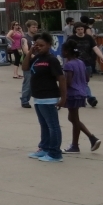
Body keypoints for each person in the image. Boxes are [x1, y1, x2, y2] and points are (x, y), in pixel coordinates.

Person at [23, 31, 66, 162]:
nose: (38, 47)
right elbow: (25, 67)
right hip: (38, 98)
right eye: (36, 45)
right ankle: (44, 148)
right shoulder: (37, 58)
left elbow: (61, 78)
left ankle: (55, 153)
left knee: (53, 126)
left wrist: (63, 98)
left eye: (41, 45)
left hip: (49, 97)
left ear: (49, 45)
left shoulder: (51, 60)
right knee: (44, 125)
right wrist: (30, 52)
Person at [61, 40, 101, 154]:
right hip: (81, 93)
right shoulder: (80, 62)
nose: (62, 52)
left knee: (73, 119)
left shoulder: (68, 65)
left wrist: (61, 92)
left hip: (72, 94)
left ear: (67, 52)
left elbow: (67, 82)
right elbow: (87, 78)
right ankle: (75, 145)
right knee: (74, 119)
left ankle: (91, 138)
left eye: (63, 50)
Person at [71, 22, 103, 107]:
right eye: (78, 29)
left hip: (87, 62)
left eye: (82, 29)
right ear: (75, 30)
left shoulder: (89, 38)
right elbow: (67, 50)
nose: (80, 31)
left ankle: (81, 96)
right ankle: (90, 98)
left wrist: (102, 57)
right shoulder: (71, 38)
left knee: (84, 82)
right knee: (83, 82)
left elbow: (95, 49)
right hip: (76, 63)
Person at [19, 20, 39, 108]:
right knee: (28, 83)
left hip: (39, 63)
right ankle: (24, 100)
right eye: (33, 27)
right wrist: (33, 56)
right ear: (28, 27)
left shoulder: (38, 38)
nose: (35, 29)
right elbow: (26, 51)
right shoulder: (25, 38)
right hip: (29, 63)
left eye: (36, 27)